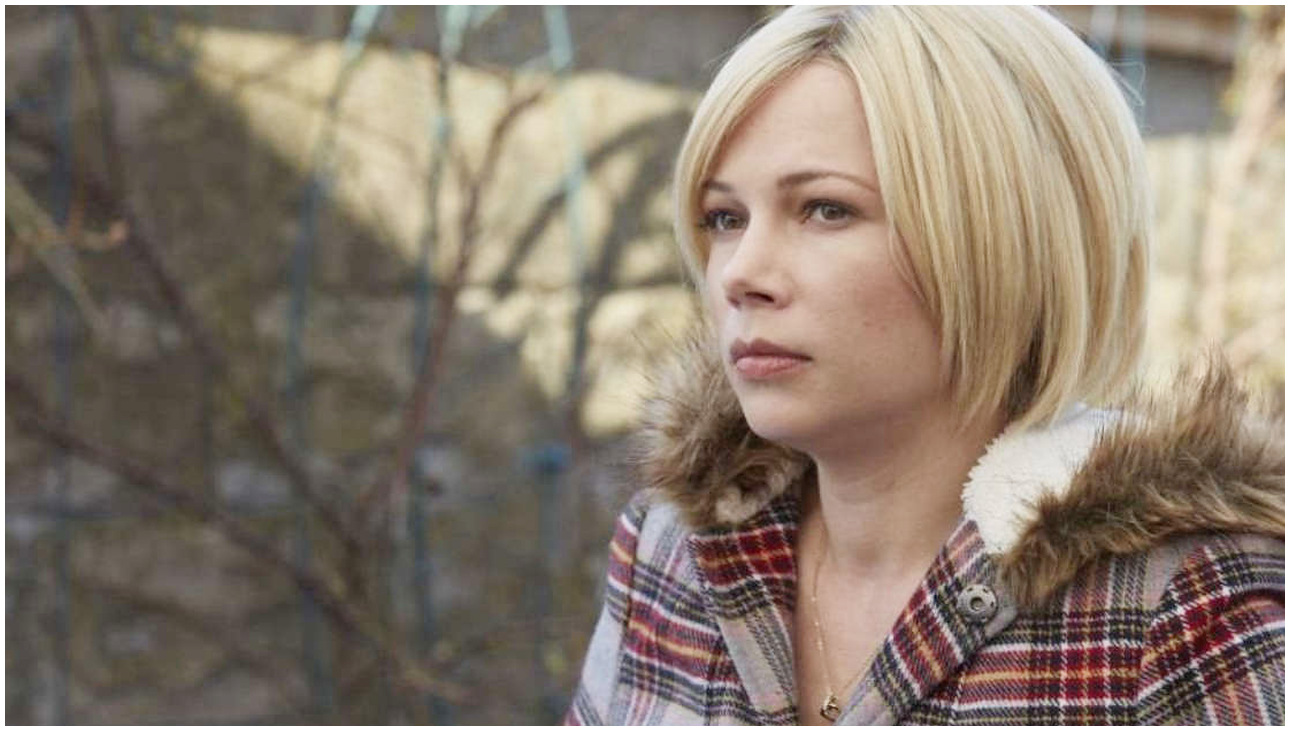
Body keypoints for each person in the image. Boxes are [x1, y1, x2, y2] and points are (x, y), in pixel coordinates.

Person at [565, 5, 1283, 725]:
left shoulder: (1190, 607)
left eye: (825, 209)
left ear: (1003, 240)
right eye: (726, 218)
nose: (740, 274)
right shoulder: (671, 552)